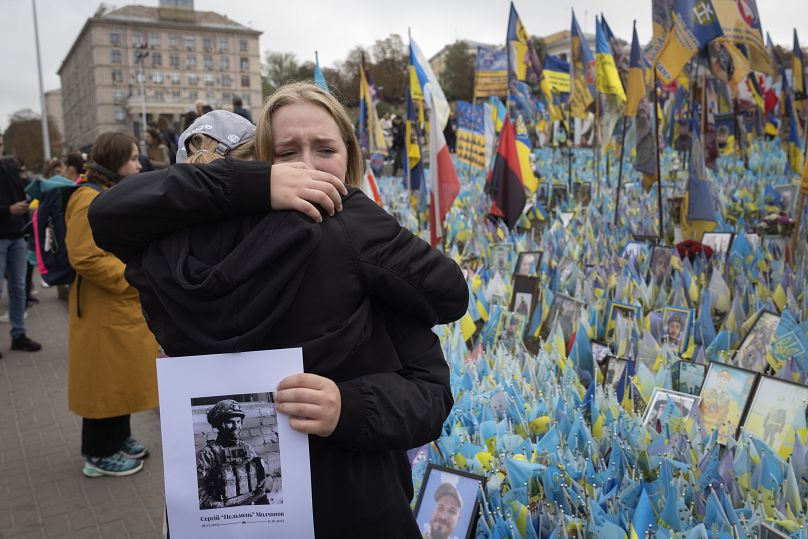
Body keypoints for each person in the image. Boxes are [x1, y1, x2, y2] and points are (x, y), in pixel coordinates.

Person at [88, 86, 467, 536]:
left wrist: (347, 406)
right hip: (324, 507)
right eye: (288, 153)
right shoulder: (347, 228)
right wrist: (254, 185)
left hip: (301, 511)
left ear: (350, 155)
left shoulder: (367, 248)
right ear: (263, 161)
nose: (306, 165)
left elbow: (430, 394)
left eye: (325, 149)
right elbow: (108, 212)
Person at [66, 132, 159, 478]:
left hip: (115, 306)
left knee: (119, 379)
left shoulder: (105, 192)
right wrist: (134, 277)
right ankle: (98, 452)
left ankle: (120, 437)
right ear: (116, 160)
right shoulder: (87, 197)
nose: (138, 165)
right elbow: (85, 258)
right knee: (103, 383)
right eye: (133, 158)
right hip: (102, 308)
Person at [196, 399, 275, 509]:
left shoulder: (247, 448)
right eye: (230, 422)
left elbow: (263, 471)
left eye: (238, 422)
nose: (236, 427)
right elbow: (199, 494)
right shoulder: (207, 455)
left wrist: (269, 478)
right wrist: (221, 507)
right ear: (219, 425)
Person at [0, 156, 42, 355]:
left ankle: (19, 335)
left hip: (17, 237)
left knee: (19, 288)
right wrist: (8, 210)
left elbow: (25, 193)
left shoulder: (10, 167)